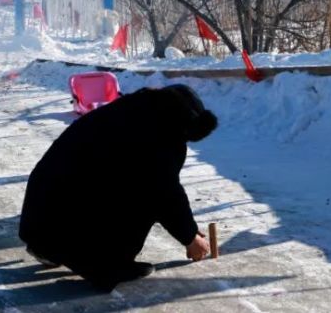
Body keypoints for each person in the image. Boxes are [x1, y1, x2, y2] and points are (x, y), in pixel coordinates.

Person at [18, 83, 218, 292]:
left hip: (41, 219)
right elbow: (164, 193)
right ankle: (109, 267)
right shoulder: (156, 136)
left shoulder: (130, 113)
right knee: (144, 198)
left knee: (130, 184)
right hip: (60, 218)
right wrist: (190, 237)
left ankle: (50, 249)